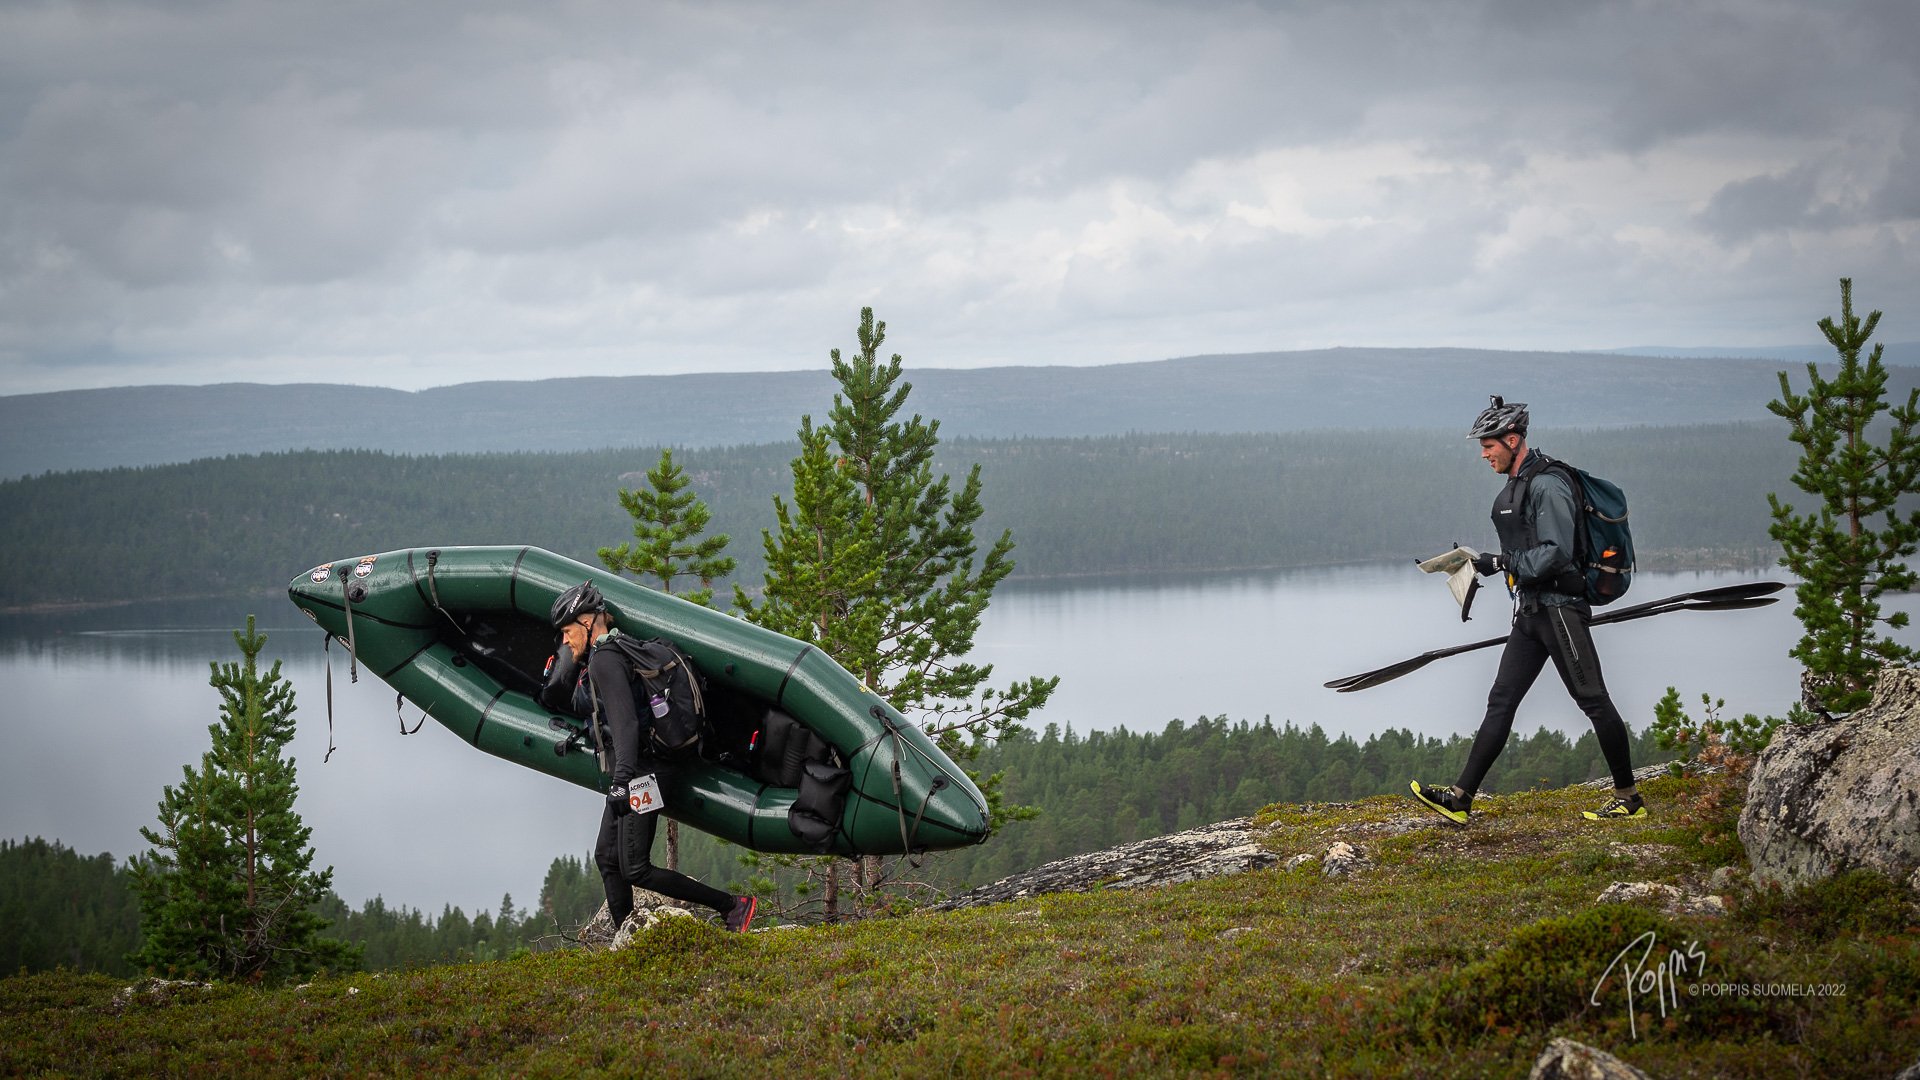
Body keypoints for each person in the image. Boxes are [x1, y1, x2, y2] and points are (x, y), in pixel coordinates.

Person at [1411, 397, 1646, 824]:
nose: (1484, 454)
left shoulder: (1548, 484)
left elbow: (1555, 553)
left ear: (1513, 439)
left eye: (1488, 446)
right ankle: (1461, 798)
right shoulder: (1517, 485)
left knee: (1593, 701)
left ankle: (1629, 798)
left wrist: (1500, 563)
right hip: (1531, 613)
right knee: (1500, 701)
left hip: (1560, 611)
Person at [546, 582, 758, 933]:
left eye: (568, 632)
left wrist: (620, 783)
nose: (565, 642)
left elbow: (625, 723)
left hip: (647, 772)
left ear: (587, 622)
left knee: (635, 867)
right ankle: (625, 939)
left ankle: (733, 905)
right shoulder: (616, 648)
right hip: (644, 766)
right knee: (606, 857)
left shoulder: (605, 660)